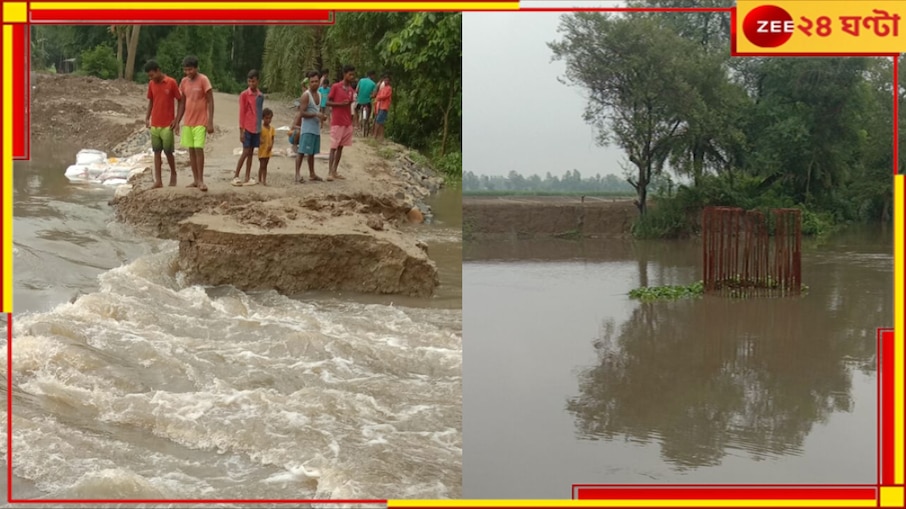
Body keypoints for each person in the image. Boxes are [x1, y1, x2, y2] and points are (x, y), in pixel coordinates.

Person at [175, 56, 214, 192]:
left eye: (190, 69)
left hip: (200, 121)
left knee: (199, 149)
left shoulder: (203, 80)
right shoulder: (184, 82)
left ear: (196, 68)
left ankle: (201, 180)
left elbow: (210, 101)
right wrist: (177, 121)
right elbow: (182, 103)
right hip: (188, 121)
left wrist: (210, 122)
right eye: (185, 70)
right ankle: (195, 179)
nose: (188, 72)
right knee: (191, 150)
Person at [143, 60, 181, 188]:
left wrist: (176, 120)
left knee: (168, 151)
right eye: (149, 76)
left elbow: (180, 101)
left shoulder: (171, 82)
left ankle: (173, 173)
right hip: (155, 123)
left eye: (152, 74)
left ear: (158, 70)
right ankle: (158, 180)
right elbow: (151, 102)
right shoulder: (151, 84)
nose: (151, 78)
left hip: (167, 124)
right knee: (156, 152)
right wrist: (147, 117)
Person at [292, 71, 327, 183]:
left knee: (311, 153)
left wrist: (322, 118)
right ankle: (297, 174)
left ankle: (312, 173)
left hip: (315, 129)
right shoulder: (306, 95)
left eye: (316, 81)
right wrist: (316, 115)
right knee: (302, 151)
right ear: (309, 83)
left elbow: (319, 110)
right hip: (307, 129)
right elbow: (301, 113)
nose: (314, 84)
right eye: (312, 82)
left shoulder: (320, 95)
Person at [232, 69, 264, 186]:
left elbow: (259, 114)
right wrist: (241, 130)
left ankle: (247, 176)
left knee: (251, 152)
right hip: (247, 128)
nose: (251, 84)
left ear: (257, 81)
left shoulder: (260, 96)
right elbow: (242, 113)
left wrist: (260, 132)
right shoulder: (244, 95)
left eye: (253, 81)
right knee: (245, 152)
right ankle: (236, 175)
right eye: (249, 81)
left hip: (256, 128)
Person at [326, 64, 356, 181]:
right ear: (344, 74)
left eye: (353, 74)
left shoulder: (351, 90)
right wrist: (339, 104)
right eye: (350, 74)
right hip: (337, 122)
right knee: (333, 147)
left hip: (346, 122)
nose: (352, 77)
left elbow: (350, 106)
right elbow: (328, 102)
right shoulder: (335, 87)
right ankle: (329, 172)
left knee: (340, 147)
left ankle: (335, 171)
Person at [355, 71, 377, 137]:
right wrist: (369, 96)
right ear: (372, 75)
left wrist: (360, 95)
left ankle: (357, 124)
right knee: (369, 112)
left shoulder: (361, 80)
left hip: (359, 101)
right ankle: (366, 122)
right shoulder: (373, 84)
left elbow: (356, 90)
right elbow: (374, 95)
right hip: (367, 102)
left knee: (355, 110)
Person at [258, 108, 275, 186]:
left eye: (270, 118)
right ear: (263, 118)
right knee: (262, 165)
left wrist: (271, 146)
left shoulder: (272, 129)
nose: (268, 120)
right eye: (266, 118)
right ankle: (260, 179)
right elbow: (258, 138)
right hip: (262, 150)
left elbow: (272, 138)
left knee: (266, 165)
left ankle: (264, 180)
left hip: (268, 150)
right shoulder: (260, 128)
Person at [373, 75, 393, 142]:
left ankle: (375, 136)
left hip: (384, 106)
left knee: (378, 121)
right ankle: (381, 137)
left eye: (387, 80)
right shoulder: (382, 88)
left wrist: (378, 97)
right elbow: (378, 95)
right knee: (381, 122)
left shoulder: (389, 88)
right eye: (385, 80)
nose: (386, 81)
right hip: (380, 106)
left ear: (389, 81)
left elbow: (384, 96)